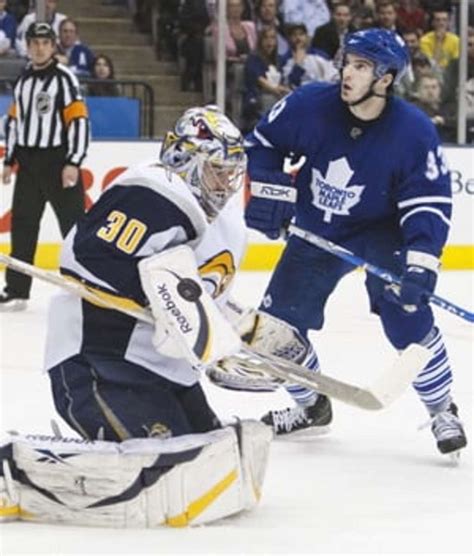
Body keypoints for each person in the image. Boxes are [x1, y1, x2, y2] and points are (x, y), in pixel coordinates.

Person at [0, 105, 274, 527]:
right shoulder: (154, 190)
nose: (225, 184)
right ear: (184, 160)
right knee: (158, 471)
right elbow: (84, 257)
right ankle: (18, 468)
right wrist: (168, 308)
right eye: (217, 170)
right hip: (98, 362)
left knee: (214, 463)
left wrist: (242, 333)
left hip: (169, 375)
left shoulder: (228, 227)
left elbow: (199, 299)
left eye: (231, 173)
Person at [243, 28, 467, 456]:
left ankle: (441, 408)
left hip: (383, 231)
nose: (347, 72)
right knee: (275, 331)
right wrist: (271, 190)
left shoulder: (414, 132)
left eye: (362, 66)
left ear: (385, 79)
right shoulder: (309, 105)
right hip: (317, 228)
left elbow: (428, 203)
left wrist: (421, 264)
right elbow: (263, 144)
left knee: (406, 312)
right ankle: (311, 408)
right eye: (348, 61)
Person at [0, 22, 89, 311]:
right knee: (23, 227)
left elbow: (78, 122)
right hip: (28, 164)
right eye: (34, 42)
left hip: (58, 161)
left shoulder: (65, 79)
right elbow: (15, 122)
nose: (39, 47)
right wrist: (9, 160)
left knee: (74, 228)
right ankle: (16, 290)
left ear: (53, 46)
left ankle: (88, 287)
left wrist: (73, 161)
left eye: (44, 42)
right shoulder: (24, 80)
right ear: (27, 45)